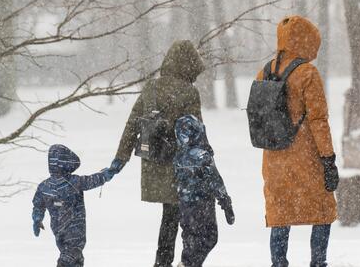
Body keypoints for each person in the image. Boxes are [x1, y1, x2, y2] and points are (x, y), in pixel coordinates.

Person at [109, 40, 206, 267]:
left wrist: (120, 159)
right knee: (188, 217)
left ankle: (162, 262)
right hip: (179, 164)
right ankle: (184, 261)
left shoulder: (151, 87)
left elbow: (132, 124)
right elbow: (196, 133)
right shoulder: (189, 92)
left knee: (170, 214)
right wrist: (204, 168)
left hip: (153, 161)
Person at [257, 15, 340, 267]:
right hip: (306, 158)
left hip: (274, 158)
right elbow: (318, 120)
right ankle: (318, 262)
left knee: (281, 214)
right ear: (306, 41)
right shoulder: (307, 73)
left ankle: (278, 263)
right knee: (323, 210)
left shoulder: (265, 71)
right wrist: (328, 159)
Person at [31, 144, 116, 267]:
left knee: (75, 258)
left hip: (57, 230)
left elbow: (38, 205)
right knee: (69, 256)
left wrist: (37, 219)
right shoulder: (73, 182)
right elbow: (92, 180)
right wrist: (106, 174)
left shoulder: (45, 186)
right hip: (75, 230)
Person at [173, 114, 234, 267]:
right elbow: (215, 180)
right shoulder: (202, 156)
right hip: (203, 203)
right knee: (210, 237)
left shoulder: (179, 156)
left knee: (189, 238)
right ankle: (189, 264)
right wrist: (225, 202)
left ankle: (187, 262)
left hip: (184, 204)